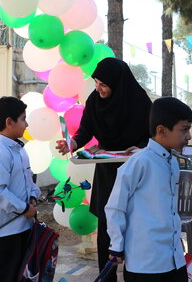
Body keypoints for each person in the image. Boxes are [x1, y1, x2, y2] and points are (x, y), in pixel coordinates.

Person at [56, 57, 152, 281]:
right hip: (107, 171)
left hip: (136, 170)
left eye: (104, 84)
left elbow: (153, 135)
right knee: (107, 226)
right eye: (96, 82)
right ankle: (106, 277)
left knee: (134, 225)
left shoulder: (139, 101)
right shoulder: (95, 100)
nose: (99, 88)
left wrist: (143, 148)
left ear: (118, 83)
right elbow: (85, 129)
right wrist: (73, 143)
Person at [105, 97, 192, 282]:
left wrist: (175, 238)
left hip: (173, 258)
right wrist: (116, 245)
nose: (189, 136)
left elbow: (168, 209)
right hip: (145, 262)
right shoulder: (140, 162)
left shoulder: (172, 162)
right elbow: (115, 206)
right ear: (161, 130)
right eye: (184, 129)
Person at [0, 96, 41, 282]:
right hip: (4, 232)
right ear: (9, 122)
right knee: (6, 276)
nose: (27, 124)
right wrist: (24, 209)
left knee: (22, 276)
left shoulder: (19, 149)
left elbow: (29, 181)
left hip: (22, 227)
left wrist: (32, 197)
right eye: (23, 119)